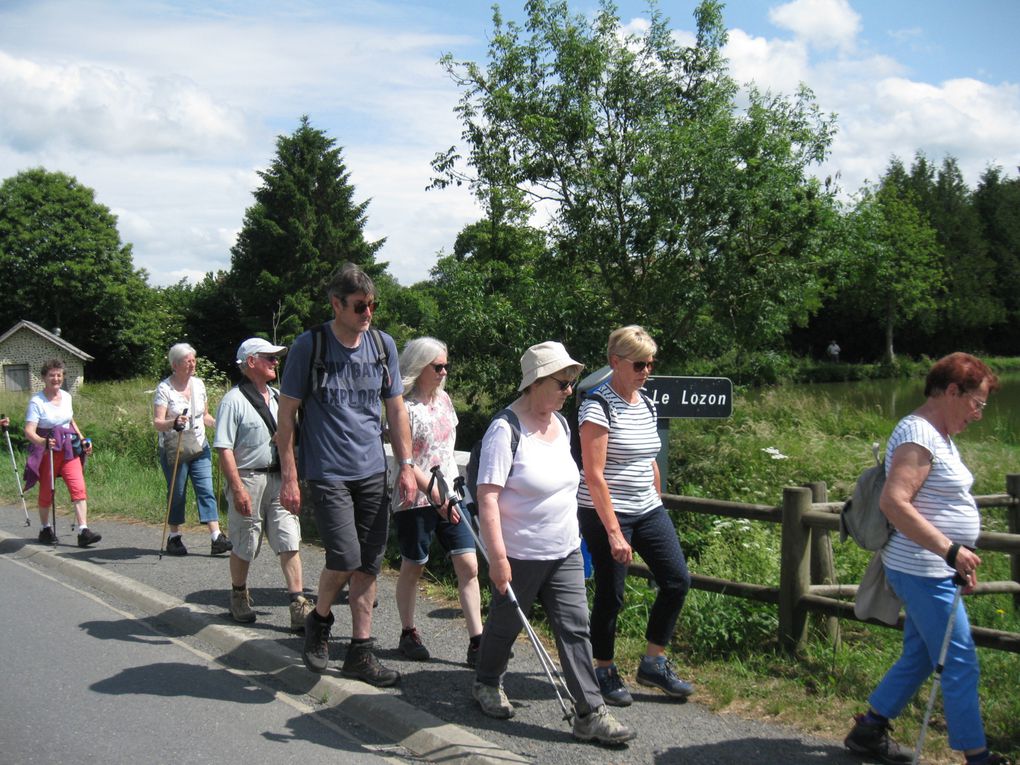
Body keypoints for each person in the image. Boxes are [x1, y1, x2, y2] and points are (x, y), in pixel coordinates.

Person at [844, 353, 1012, 765]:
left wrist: (953, 559)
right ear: (952, 391)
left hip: (934, 568)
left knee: (922, 655)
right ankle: (978, 756)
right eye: (978, 403)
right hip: (922, 569)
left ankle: (869, 729)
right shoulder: (919, 434)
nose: (979, 414)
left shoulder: (937, 433)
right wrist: (950, 550)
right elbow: (894, 502)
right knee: (961, 661)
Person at [472, 340, 636, 746]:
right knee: (505, 625)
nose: (569, 390)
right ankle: (487, 682)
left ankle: (590, 713)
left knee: (575, 629)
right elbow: (488, 497)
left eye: (571, 382)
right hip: (520, 553)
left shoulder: (561, 426)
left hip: (563, 549)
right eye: (563, 383)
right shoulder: (504, 430)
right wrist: (497, 558)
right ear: (536, 382)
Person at [277, 262, 417, 688]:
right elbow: (287, 416)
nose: (367, 313)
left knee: (369, 565)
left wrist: (406, 465)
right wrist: (289, 475)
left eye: (373, 305)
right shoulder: (310, 345)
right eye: (359, 306)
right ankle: (319, 621)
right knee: (344, 556)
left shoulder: (382, 345)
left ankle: (361, 651)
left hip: (373, 470)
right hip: (328, 471)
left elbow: (395, 408)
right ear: (336, 304)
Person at [577, 325, 693, 706]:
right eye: (640, 364)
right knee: (612, 594)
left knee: (676, 580)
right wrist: (614, 533)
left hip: (646, 508)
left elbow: (649, 458)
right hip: (605, 511)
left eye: (651, 363)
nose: (647, 371)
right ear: (615, 362)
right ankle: (603, 667)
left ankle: (653, 662)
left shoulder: (646, 402)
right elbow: (594, 475)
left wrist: (656, 503)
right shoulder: (597, 405)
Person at [393, 337, 482, 665]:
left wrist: (452, 493)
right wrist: (432, 492)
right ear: (420, 367)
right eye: (438, 366)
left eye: (446, 365)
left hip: (451, 493)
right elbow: (406, 459)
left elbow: (446, 451)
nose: (445, 372)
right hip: (415, 496)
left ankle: (477, 641)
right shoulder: (403, 408)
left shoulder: (444, 400)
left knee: (469, 564)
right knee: (414, 564)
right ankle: (408, 631)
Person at [214, 337, 314, 629]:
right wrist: (237, 488)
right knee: (246, 543)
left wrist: (292, 478)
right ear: (251, 362)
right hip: (249, 477)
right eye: (268, 357)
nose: (275, 362)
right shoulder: (233, 401)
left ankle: (298, 604)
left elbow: (292, 437)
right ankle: (238, 594)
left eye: (275, 357)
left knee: (289, 538)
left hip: (279, 477)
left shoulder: (279, 397)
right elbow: (224, 449)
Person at [153, 343, 232, 556]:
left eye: (193, 360)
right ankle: (174, 537)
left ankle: (216, 537)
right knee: (177, 493)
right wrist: (173, 422)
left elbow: (204, 415)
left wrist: (219, 424)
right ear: (175, 364)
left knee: (205, 489)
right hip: (175, 446)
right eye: (188, 361)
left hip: (199, 444)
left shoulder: (198, 385)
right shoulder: (164, 389)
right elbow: (158, 422)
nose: (192, 364)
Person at [23, 358, 100, 547]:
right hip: (48, 452)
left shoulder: (66, 396)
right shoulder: (37, 402)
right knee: (47, 490)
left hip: (68, 449)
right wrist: (43, 442)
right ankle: (45, 528)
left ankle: (84, 531)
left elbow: (70, 421)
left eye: (59, 375)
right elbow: (29, 431)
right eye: (52, 375)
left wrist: (82, 440)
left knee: (78, 487)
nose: (56, 378)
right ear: (44, 377)